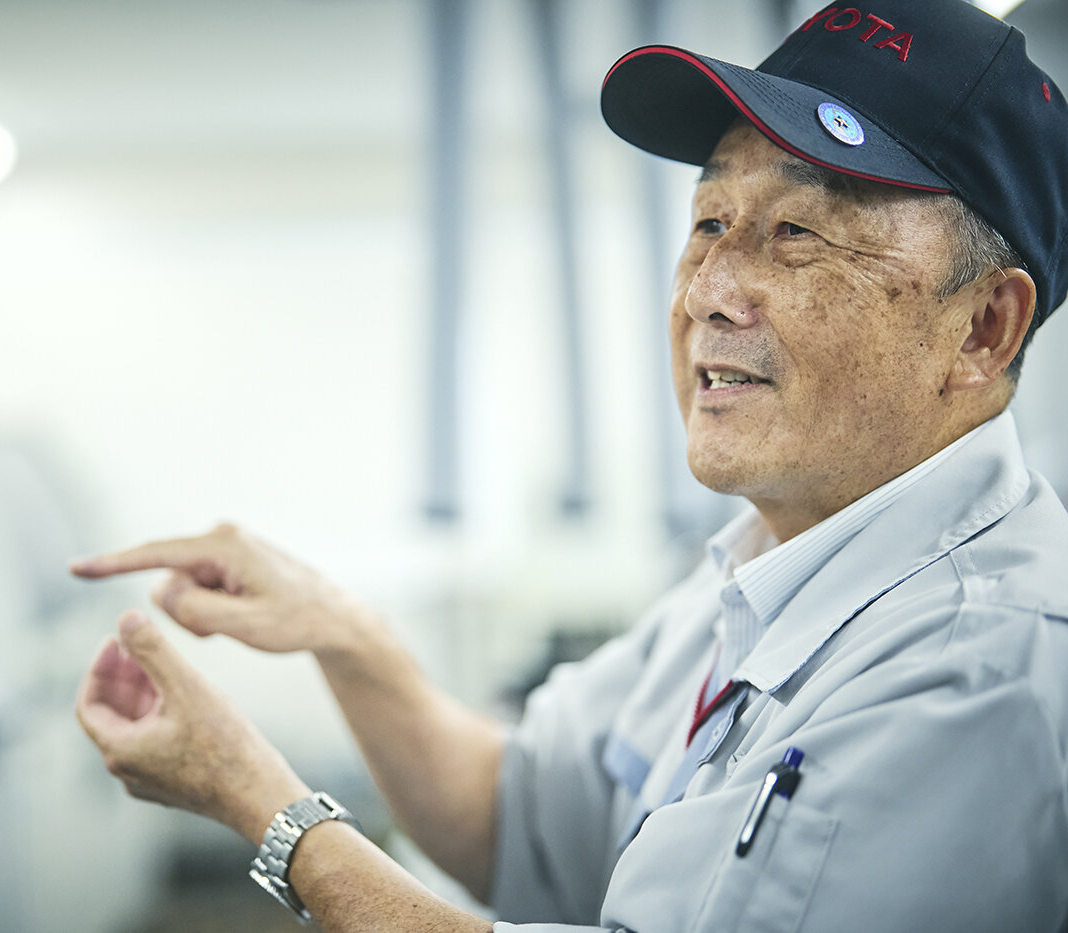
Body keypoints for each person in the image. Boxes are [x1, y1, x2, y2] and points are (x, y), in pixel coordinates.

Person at [71, 0, 1068, 929]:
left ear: (981, 328)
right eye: (708, 222)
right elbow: (520, 818)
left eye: (795, 233)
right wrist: (340, 633)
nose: (707, 291)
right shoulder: (762, 561)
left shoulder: (981, 678)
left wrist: (268, 812)